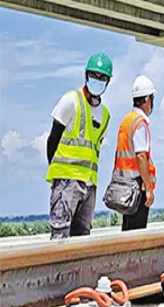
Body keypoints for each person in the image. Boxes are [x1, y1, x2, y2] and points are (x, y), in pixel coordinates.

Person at [46, 52, 113, 239]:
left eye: (102, 77)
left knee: (83, 238)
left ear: (108, 82)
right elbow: (52, 140)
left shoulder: (105, 116)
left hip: (89, 185)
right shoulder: (71, 101)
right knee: (60, 235)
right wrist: (59, 173)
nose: (97, 80)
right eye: (93, 75)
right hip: (66, 182)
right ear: (86, 75)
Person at [112, 75, 157, 231]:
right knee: (137, 232)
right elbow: (141, 156)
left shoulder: (127, 120)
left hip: (125, 186)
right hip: (137, 186)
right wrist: (148, 188)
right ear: (147, 99)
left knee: (128, 230)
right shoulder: (139, 123)